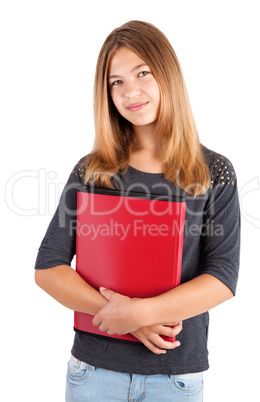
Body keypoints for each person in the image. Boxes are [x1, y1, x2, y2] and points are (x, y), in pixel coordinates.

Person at [34, 20, 240, 402]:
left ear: (167, 74)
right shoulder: (92, 170)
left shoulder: (213, 171)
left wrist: (139, 313)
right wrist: (128, 318)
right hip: (93, 374)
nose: (131, 92)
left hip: (175, 378)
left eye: (142, 73)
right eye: (116, 82)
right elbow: (48, 268)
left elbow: (223, 277)